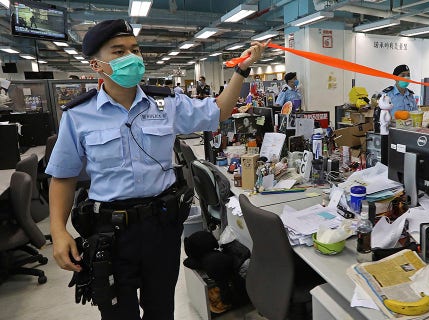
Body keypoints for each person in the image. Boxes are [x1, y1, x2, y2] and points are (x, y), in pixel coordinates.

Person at [45, 19, 266, 320]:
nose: (132, 57)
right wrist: (58, 232)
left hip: (161, 228)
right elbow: (63, 176)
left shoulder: (166, 104)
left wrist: (242, 70)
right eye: (119, 51)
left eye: (135, 50)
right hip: (110, 233)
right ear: (96, 65)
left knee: (161, 309)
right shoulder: (78, 115)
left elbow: (219, 111)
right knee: (118, 314)